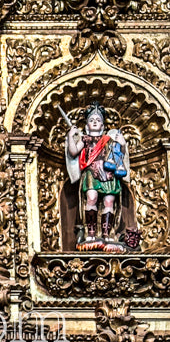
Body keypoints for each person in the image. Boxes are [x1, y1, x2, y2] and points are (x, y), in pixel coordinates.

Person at [65, 102, 129, 252]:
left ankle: (107, 234)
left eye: (98, 120)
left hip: (108, 172)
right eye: (91, 120)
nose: (95, 122)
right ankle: (91, 233)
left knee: (108, 201)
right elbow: (73, 152)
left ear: (103, 125)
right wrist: (70, 137)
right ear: (87, 125)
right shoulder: (85, 139)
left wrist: (122, 143)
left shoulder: (109, 139)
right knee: (92, 197)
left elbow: (120, 154)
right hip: (91, 172)